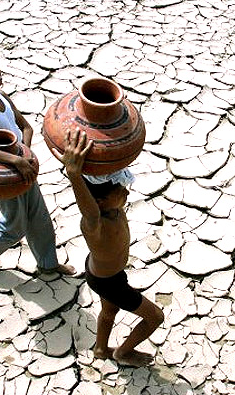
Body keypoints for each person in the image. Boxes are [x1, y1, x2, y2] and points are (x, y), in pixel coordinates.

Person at [0, 47, 75, 276]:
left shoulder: (2, 97)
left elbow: (25, 127)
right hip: (4, 176)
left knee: (40, 221)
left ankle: (48, 265)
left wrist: (25, 153)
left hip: (23, 169)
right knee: (15, 225)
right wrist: (15, 160)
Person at [52, 128, 164, 367]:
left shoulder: (112, 207)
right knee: (155, 317)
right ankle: (123, 353)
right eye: (120, 189)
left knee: (109, 311)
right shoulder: (95, 222)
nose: (126, 190)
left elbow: (108, 169)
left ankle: (101, 349)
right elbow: (88, 209)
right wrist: (73, 173)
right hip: (109, 281)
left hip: (102, 274)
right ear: (100, 201)